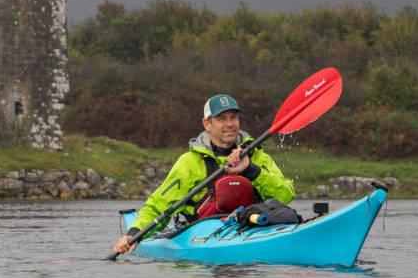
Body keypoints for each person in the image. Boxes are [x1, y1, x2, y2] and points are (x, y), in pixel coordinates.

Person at [113, 93, 295, 254]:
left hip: (254, 227)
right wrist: (134, 233)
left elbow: (285, 195)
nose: (230, 124)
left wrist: (251, 170)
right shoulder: (189, 163)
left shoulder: (257, 157)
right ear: (207, 123)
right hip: (204, 237)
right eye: (222, 118)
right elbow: (158, 206)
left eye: (234, 117)